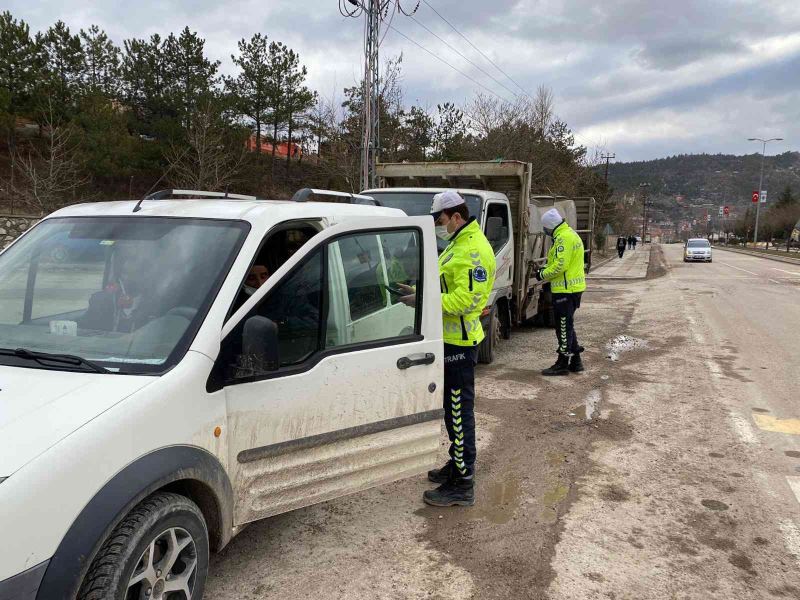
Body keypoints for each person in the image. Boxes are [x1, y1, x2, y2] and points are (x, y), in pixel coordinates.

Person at [398, 190, 495, 507]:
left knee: (459, 412)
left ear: (456, 216)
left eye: (440, 220)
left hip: (459, 344)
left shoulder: (471, 251)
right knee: (453, 412)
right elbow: (445, 286)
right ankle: (457, 464)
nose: (439, 226)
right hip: (449, 341)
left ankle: (463, 484)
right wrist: (414, 291)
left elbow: (466, 301)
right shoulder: (459, 244)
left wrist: (421, 300)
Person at [535, 208, 587, 376]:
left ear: (549, 226)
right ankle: (576, 362)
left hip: (565, 290)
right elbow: (560, 262)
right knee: (568, 326)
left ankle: (562, 363)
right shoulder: (570, 234)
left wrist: (542, 274)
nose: (544, 231)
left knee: (563, 327)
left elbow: (560, 265)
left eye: (545, 228)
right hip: (573, 288)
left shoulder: (563, 238)